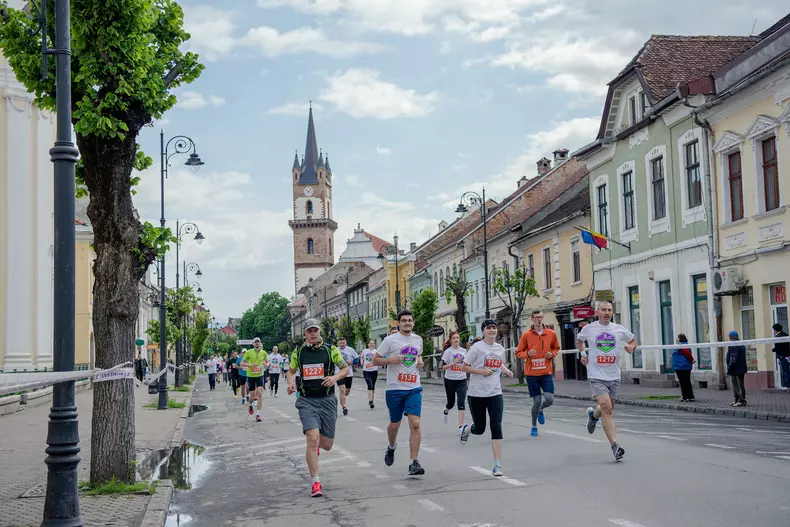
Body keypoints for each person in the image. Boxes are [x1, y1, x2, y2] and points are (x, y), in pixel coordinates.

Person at [287, 318, 349, 497]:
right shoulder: (298, 353)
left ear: (319, 332)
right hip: (307, 401)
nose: (313, 333)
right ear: (305, 334)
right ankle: (316, 483)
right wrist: (291, 384)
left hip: (327, 400)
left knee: (327, 444)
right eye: (309, 331)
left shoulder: (331, 350)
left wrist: (334, 378)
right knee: (312, 438)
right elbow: (291, 371)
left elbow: (344, 368)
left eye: (315, 330)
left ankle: (318, 447)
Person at [576, 301, 637, 461]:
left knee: (608, 408)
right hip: (596, 374)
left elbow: (632, 340)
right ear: (597, 312)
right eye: (604, 310)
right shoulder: (589, 329)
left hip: (614, 375)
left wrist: (632, 347)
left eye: (609, 310)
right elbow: (580, 341)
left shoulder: (618, 329)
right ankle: (615, 447)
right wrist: (583, 355)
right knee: (607, 408)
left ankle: (593, 416)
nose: (607, 312)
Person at [373, 310, 426, 476]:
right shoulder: (390, 340)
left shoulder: (418, 339)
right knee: (395, 424)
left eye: (410, 320)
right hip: (395, 388)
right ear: (399, 323)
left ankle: (414, 462)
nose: (407, 323)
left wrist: (420, 362)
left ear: (413, 322)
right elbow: (375, 360)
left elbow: (419, 357)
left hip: (413, 387)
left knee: (415, 423)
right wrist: (391, 360)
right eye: (404, 321)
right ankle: (391, 446)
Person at [459, 319, 514, 476]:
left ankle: (497, 464)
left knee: (496, 426)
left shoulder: (499, 348)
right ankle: (467, 429)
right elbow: (464, 367)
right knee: (480, 428)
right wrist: (481, 371)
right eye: (489, 328)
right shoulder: (477, 348)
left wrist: (506, 371)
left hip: (495, 392)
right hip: (476, 393)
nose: (492, 331)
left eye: (494, 328)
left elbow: (498, 364)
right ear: (483, 331)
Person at [515, 310, 559, 437]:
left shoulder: (551, 333)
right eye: (536, 317)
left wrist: (552, 354)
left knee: (549, 399)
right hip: (532, 374)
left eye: (541, 317)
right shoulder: (526, 335)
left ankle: (541, 410)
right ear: (532, 319)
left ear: (543, 318)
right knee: (537, 401)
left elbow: (556, 348)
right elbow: (518, 353)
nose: (539, 320)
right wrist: (528, 354)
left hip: (546, 372)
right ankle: (534, 426)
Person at [440, 331, 467, 430]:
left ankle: (461, 427)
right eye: (454, 338)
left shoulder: (464, 351)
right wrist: (453, 363)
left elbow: (468, 364)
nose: (456, 340)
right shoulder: (448, 352)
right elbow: (442, 367)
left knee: (461, 402)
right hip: (450, 380)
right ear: (451, 340)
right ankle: (446, 410)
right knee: (451, 403)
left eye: (457, 338)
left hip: (461, 380)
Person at [242, 338, 269, 422]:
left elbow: (267, 362)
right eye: (255, 342)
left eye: (258, 342)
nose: (257, 343)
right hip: (251, 376)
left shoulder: (263, 353)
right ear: (253, 344)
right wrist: (250, 365)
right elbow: (242, 363)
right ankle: (250, 404)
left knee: (260, 393)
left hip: (260, 375)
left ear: (260, 343)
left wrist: (267, 365)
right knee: (253, 396)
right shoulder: (248, 352)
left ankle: (258, 414)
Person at [336, 338, 359, 416]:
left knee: (347, 391)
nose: (342, 344)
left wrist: (351, 362)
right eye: (341, 343)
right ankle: (344, 407)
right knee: (342, 388)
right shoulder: (335, 350)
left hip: (348, 373)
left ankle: (343, 398)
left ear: (346, 343)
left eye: (343, 343)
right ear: (338, 343)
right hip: (339, 373)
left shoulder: (350, 350)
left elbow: (357, 359)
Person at [672, 334, 696, 402]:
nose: (677, 339)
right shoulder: (684, 345)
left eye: (677, 338)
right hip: (684, 366)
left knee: (683, 382)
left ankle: (686, 396)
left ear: (680, 339)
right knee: (686, 382)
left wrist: (692, 359)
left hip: (681, 366)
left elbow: (686, 353)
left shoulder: (681, 346)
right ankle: (689, 396)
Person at [726, 331, 747, 407]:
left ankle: (741, 400)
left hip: (736, 369)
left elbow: (733, 358)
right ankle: (737, 399)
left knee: (738, 385)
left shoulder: (733, 345)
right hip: (740, 368)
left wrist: (730, 367)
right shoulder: (741, 344)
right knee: (738, 385)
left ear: (730, 337)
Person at [771, 323, 790, 391]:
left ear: (775, 330)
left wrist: (773, 350)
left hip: (782, 356)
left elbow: (778, 347)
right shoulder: (786, 335)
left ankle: (787, 385)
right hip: (787, 355)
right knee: (786, 370)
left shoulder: (778, 337)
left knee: (785, 371)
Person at [361, 340, 379, 409]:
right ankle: (370, 401)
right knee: (370, 385)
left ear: (374, 344)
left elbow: (379, 358)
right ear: (368, 344)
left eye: (373, 343)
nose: (371, 344)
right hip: (366, 370)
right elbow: (362, 357)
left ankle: (372, 399)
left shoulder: (376, 351)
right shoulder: (365, 351)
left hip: (374, 370)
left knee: (373, 386)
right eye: (370, 343)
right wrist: (361, 361)